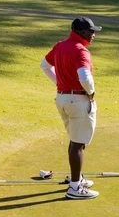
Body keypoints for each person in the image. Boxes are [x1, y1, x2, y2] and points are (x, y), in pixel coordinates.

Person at [40, 17, 102, 200]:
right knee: (78, 143)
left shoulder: (60, 46)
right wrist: (90, 92)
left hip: (62, 98)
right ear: (81, 32)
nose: (93, 35)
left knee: (76, 141)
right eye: (91, 31)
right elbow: (84, 76)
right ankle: (75, 187)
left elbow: (44, 65)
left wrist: (59, 83)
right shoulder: (81, 51)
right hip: (78, 100)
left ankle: (77, 178)